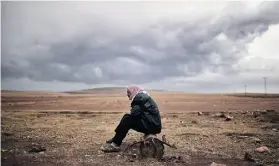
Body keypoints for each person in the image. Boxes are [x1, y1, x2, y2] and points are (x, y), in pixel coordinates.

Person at [100, 84, 162, 152]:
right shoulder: (142, 95)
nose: (127, 94)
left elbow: (134, 113)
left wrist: (131, 113)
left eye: (129, 92)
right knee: (127, 117)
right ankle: (115, 139)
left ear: (134, 90)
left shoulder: (139, 98)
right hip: (153, 125)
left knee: (127, 119)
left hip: (152, 126)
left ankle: (115, 144)